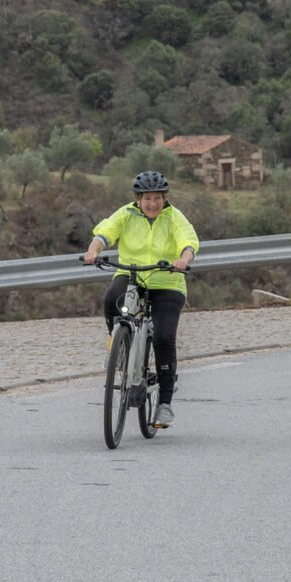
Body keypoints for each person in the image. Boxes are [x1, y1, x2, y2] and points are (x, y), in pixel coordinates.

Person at [81, 170, 199, 426]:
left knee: (163, 337)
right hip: (132, 275)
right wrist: (93, 250)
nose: (152, 204)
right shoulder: (126, 214)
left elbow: (188, 241)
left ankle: (165, 403)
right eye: (147, 198)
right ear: (137, 199)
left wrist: (183, 259)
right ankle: (119, 347)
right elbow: (105, 233)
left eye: (157, 198)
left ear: (164, 198)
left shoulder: (174, 217)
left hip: (167, 280)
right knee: (112, 298)